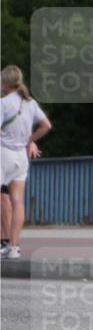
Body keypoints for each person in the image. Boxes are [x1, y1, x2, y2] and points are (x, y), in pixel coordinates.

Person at [1, 66, 52, 260]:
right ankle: (13, 247)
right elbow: (46, 125)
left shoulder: (3, 103)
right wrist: (29, 140)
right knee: (17, 201)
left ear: (5, 82)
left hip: (3, 154)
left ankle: (4, 242)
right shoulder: (30, 103)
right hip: (21, 157)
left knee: (4, 200)